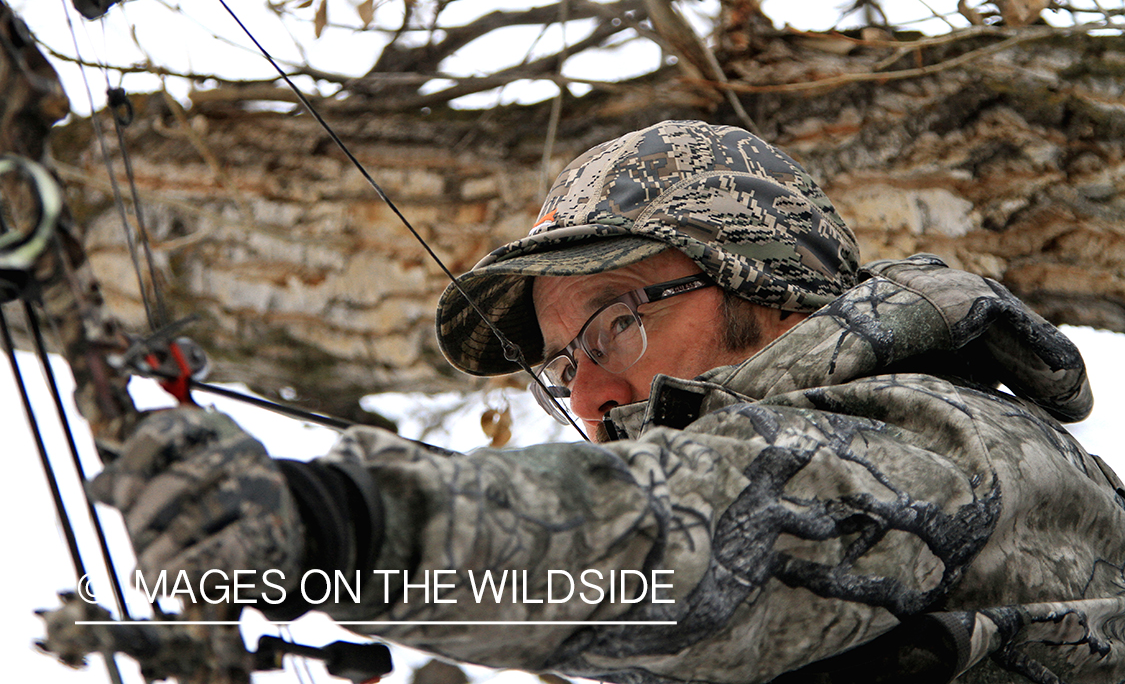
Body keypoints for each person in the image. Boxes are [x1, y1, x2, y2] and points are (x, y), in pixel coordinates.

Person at [91, 121, 1125, 683]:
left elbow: (687, 546)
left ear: (760, 287)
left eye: (616, 321)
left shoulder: (945, 442)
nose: (585, 395)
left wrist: (342, 528)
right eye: (561, 362)